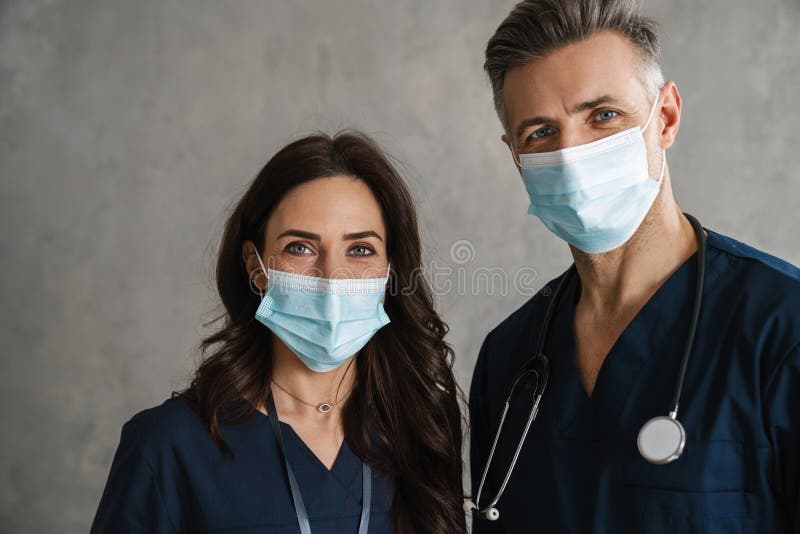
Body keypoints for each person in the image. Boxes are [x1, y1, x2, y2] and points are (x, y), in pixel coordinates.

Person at [468, 1, 800, 532]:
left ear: (664, 117)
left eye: (603, 116)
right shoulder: (509, 362)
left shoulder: (780, 331)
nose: (573, 155)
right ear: (516, 156)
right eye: (541, 134)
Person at [91, 131, 467, 533]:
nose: (331, 277)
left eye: (360, 250)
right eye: (300, 248)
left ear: (390, 270)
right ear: (256, 267)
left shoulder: (422, 426)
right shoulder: (170, 445)